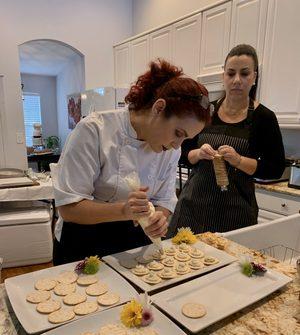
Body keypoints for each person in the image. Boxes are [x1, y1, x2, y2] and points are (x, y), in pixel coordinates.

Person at [52, 59, 211, 265]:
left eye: (185, 139)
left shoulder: (171, 149)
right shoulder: (95, 130)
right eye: (177, 133)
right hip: (82, 240)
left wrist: (158, 219)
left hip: (134, 241)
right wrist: (124, 211)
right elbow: (69, 208)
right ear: (158, 108)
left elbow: (164, 200)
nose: (176, 145)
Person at [167, 44, 285, 236]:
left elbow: (275, 167)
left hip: (235, 214)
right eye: (231, 74)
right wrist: (198, 153)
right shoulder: (206, 112)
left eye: (244, 74)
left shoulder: (264, 118)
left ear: (254, 77)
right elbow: (179, 152)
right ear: (224, 76)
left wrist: (239, 161)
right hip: (193, 208)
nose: (237, 80)